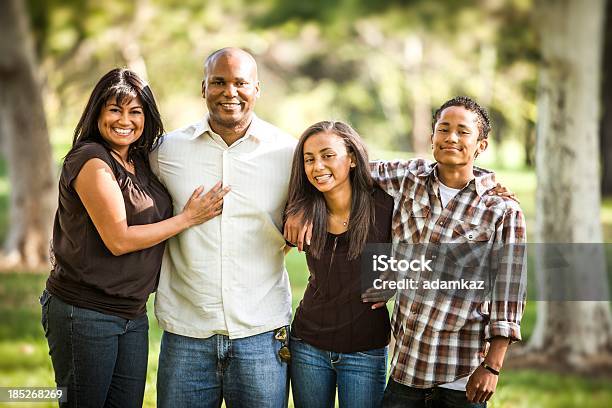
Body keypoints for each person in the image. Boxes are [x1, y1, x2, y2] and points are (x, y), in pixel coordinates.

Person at [40, 68, 229, 408]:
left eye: (135, 111)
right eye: (115, 109)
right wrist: (187, 218)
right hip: (84, 312)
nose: (124, 120)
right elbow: (119, 239)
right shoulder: (92, 161)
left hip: (132, 313)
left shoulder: (138, 160)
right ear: (98, 111)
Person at [152, 48, 296, 407]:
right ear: (203, 88)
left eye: (240, 83)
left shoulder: (288, 153)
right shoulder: (166, 151)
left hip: (261, 335)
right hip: (187, 332)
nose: (229, 92)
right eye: (219, 82)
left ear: (257, 89)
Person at [370, 96, 527, 407]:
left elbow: (509, 293)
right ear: (432, 139)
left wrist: (492, 367)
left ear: (481, 145)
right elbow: (342, 167)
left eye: (463, 131)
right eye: (443, 129)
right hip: (405, 369)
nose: (451, 137)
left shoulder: (501, 209)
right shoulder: (408, 179)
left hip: (461, 377)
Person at [285, 121, 393, 408]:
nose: (317, 166)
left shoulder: (385, 205)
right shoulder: (304, 209)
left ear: (353, 158)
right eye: (309, 159)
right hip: (308, 345)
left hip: (365, 350)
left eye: (327, 155)